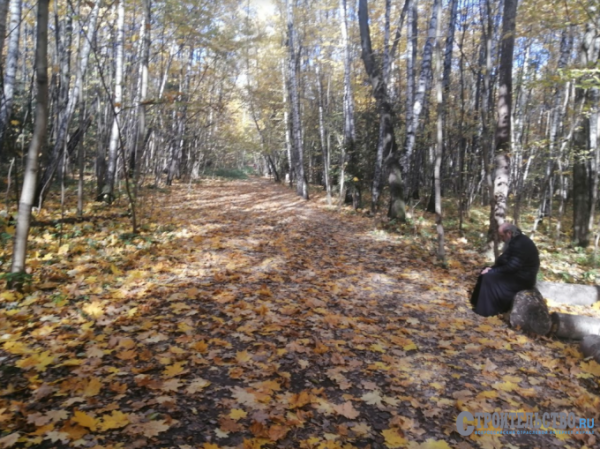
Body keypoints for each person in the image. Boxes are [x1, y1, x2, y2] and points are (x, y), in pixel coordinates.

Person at [470, 223, 540, 317]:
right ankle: (476, 303)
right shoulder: (515, 240)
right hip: (517, 274)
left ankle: (486, 310)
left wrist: (492, 271)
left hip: (522, 279)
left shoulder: (520, 243)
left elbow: (512, 267)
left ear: (509, 233)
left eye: (502, 236)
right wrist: (491, 268)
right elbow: (506, 262)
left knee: (489, 277)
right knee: (485, 271)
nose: (501, 239)